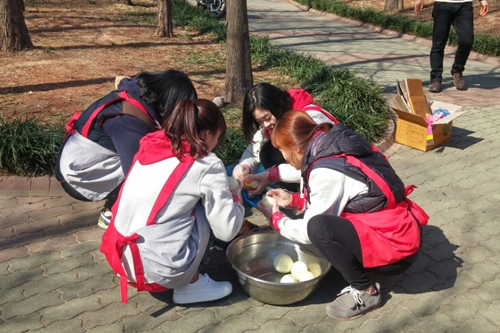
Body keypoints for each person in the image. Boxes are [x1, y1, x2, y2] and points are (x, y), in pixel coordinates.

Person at [258, 111, 428, 320]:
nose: (283, 156)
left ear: (298, 147)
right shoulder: (334, 144)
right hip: (399, 230)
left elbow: (309, 230)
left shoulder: (326, 169)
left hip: (396, 250)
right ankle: (359, 267)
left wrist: (276, 218)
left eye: (282, 150)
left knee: (318, 228)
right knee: (322, 225)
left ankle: (365, 291)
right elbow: (346, 197)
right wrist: (293, 200)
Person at [100, 99, 245, 304]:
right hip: (159, 271)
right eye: (218, 136)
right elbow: (227, 231)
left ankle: (174, 273)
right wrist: (235, 195)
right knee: (206, 210)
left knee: (185, 201)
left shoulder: (151, 144)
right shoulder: (206, 164)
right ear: (206, 134)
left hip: (121, 259)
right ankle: (191, 285)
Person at [55, 69, 197, 229]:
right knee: (152, 168)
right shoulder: (127, 122)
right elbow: (139, 176)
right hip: (78, 177)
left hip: (79, 158)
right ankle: (114, 212)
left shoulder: (138, 94)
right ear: (170, 104)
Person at [232, 82, 339, 196]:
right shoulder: (274, 123)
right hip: (310, 169)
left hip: (334, 172)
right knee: (267, 151)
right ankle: (294, 189)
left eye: (267, 117)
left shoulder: (308, 121)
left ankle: (300, 190)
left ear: (277, 106)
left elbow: (318, 165)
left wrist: (270, 175)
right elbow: (254, 150)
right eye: (260, 122)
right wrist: (244, 166)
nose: (266, 124)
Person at [415, 0, 489, 93]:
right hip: (442, 5)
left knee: (467, 41)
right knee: (438, 44)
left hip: (464, 5)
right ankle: (436, 78)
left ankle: (457, 70)